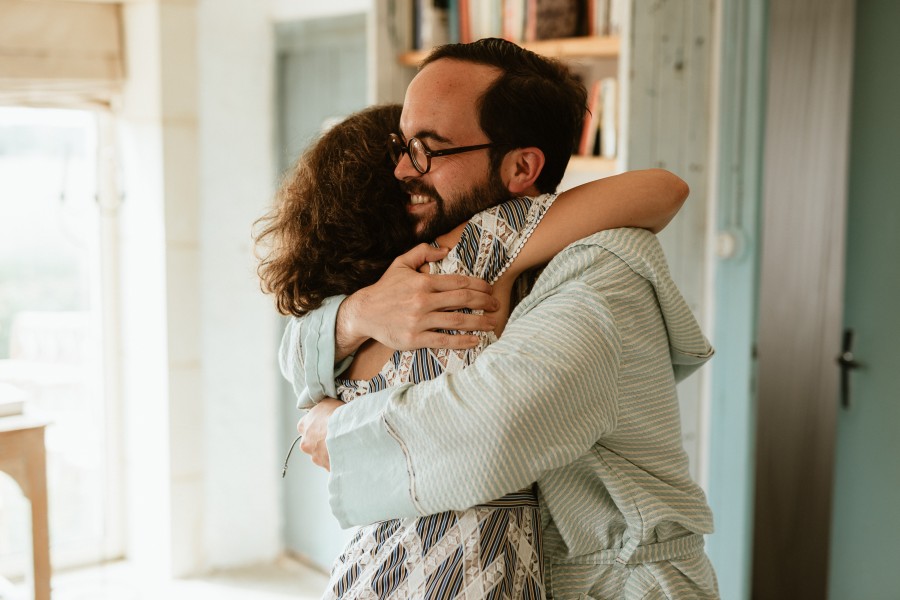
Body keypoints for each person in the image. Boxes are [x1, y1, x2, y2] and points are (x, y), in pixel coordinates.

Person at [286, 39, 718, 599]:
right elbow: (300, 347)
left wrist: (334, 432)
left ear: (520, 167)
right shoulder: (431, 259)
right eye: (403, 144)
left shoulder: (601, 274)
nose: (401, 169)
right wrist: (355, 314)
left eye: (427, 148)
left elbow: (492, 432)